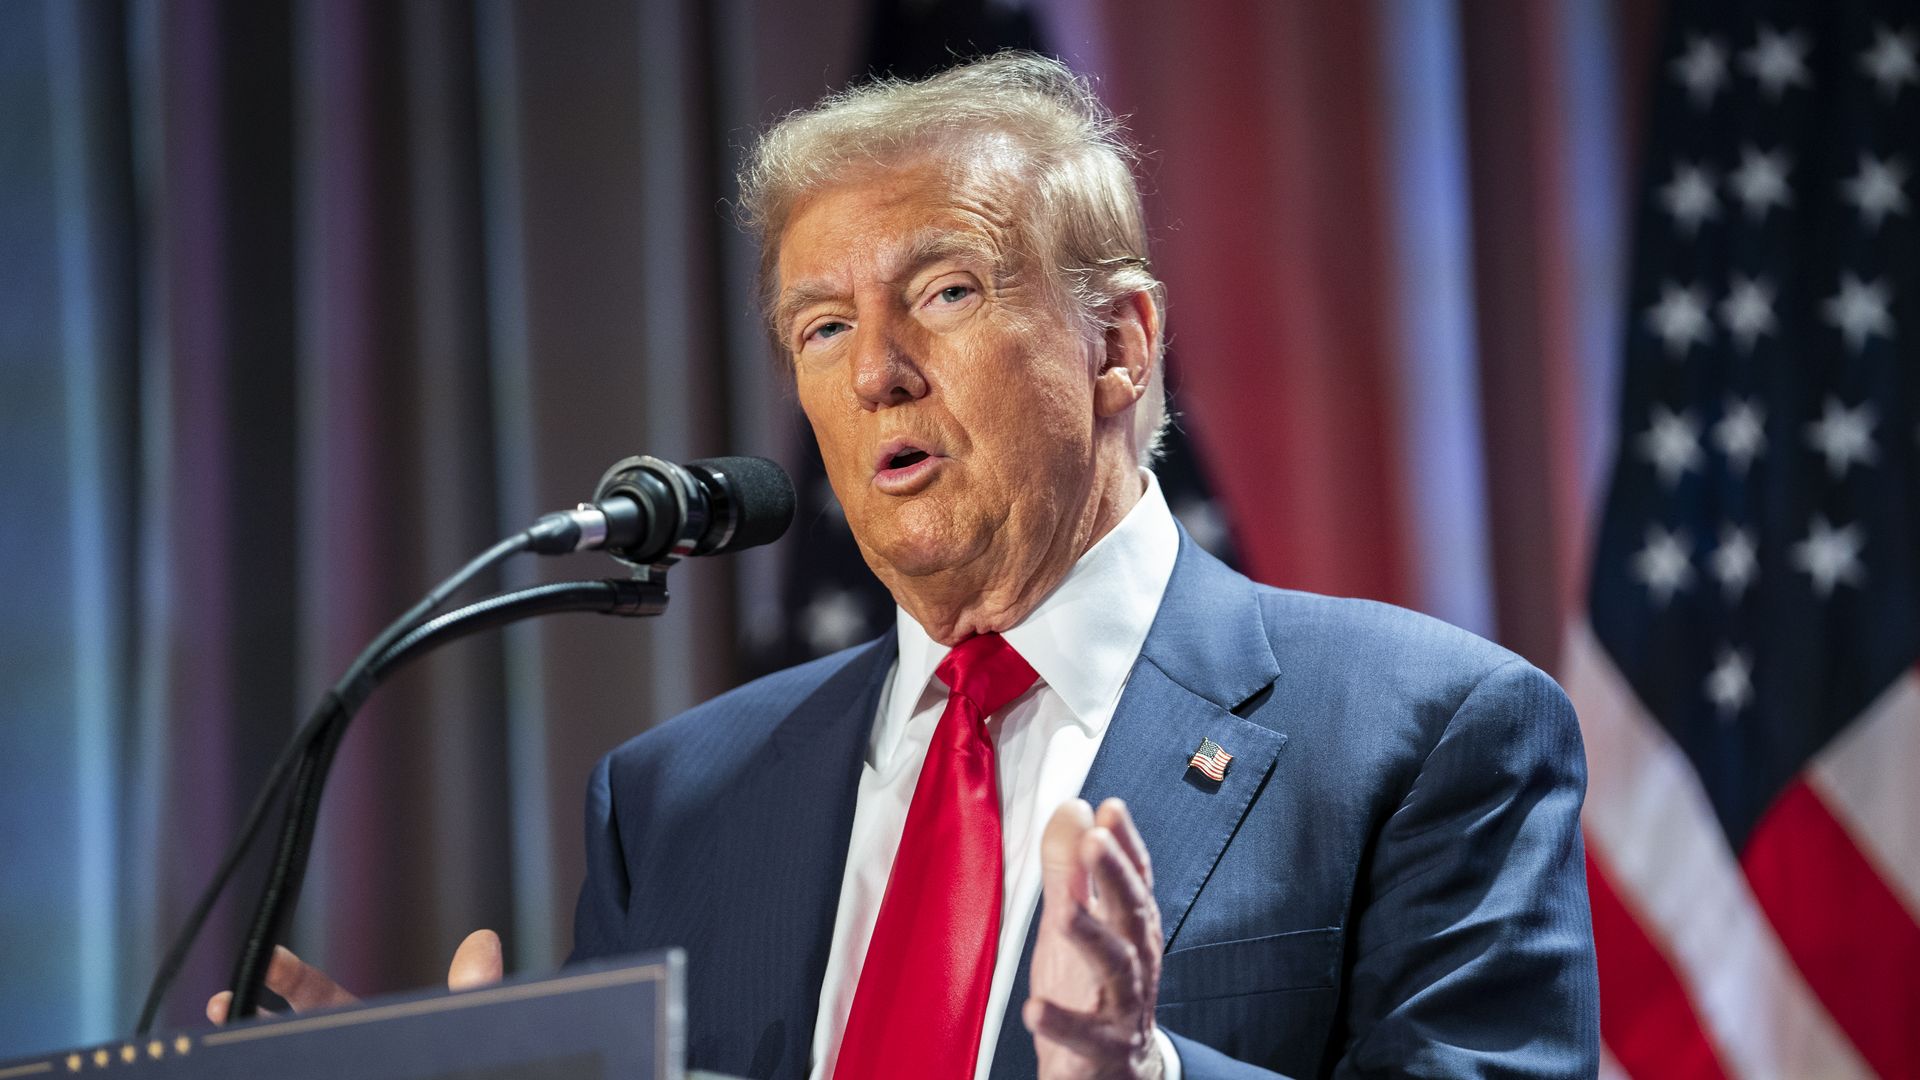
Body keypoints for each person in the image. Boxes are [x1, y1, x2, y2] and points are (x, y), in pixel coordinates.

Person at [216, 52, 1599, 1079]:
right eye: (821, 327)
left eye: (945, 292)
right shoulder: (674, 803)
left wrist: (1145, 1076)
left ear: (1119, 345)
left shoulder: (1424, 734)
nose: (876, 370)